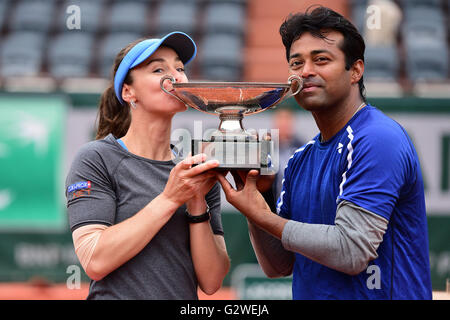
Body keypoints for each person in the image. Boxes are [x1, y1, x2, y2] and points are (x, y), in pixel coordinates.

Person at [217, 7, 432, 299]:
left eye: (321, 59)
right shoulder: (299, 160)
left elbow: (352, 251)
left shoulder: (378, 138)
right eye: (296, 63)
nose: (305, 72)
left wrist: (263, 217)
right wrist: (256, 197)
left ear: (356, 70)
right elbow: (278, 266)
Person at [65, 31, 230, 300]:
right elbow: (94, 261)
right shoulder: (96, 159)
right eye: (158, 69)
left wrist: (197, 204)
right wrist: (170, 198)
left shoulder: (194, 172)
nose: (176, 77)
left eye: (179, 68)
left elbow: (211, 282)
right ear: (128, 92)